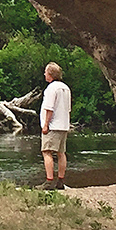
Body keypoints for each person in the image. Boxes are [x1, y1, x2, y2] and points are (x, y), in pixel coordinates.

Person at [39, 61, 71, 190]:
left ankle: (49, 181)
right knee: (61, 153)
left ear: (50, 74)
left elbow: (49, 108)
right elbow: (68, 108)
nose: (44, 74)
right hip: (63, 125)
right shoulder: (66, 88)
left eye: (46, 72)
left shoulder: (51, 88)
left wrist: (46, 125)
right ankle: (60, 181)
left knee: (47, 152)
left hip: (53, 125)